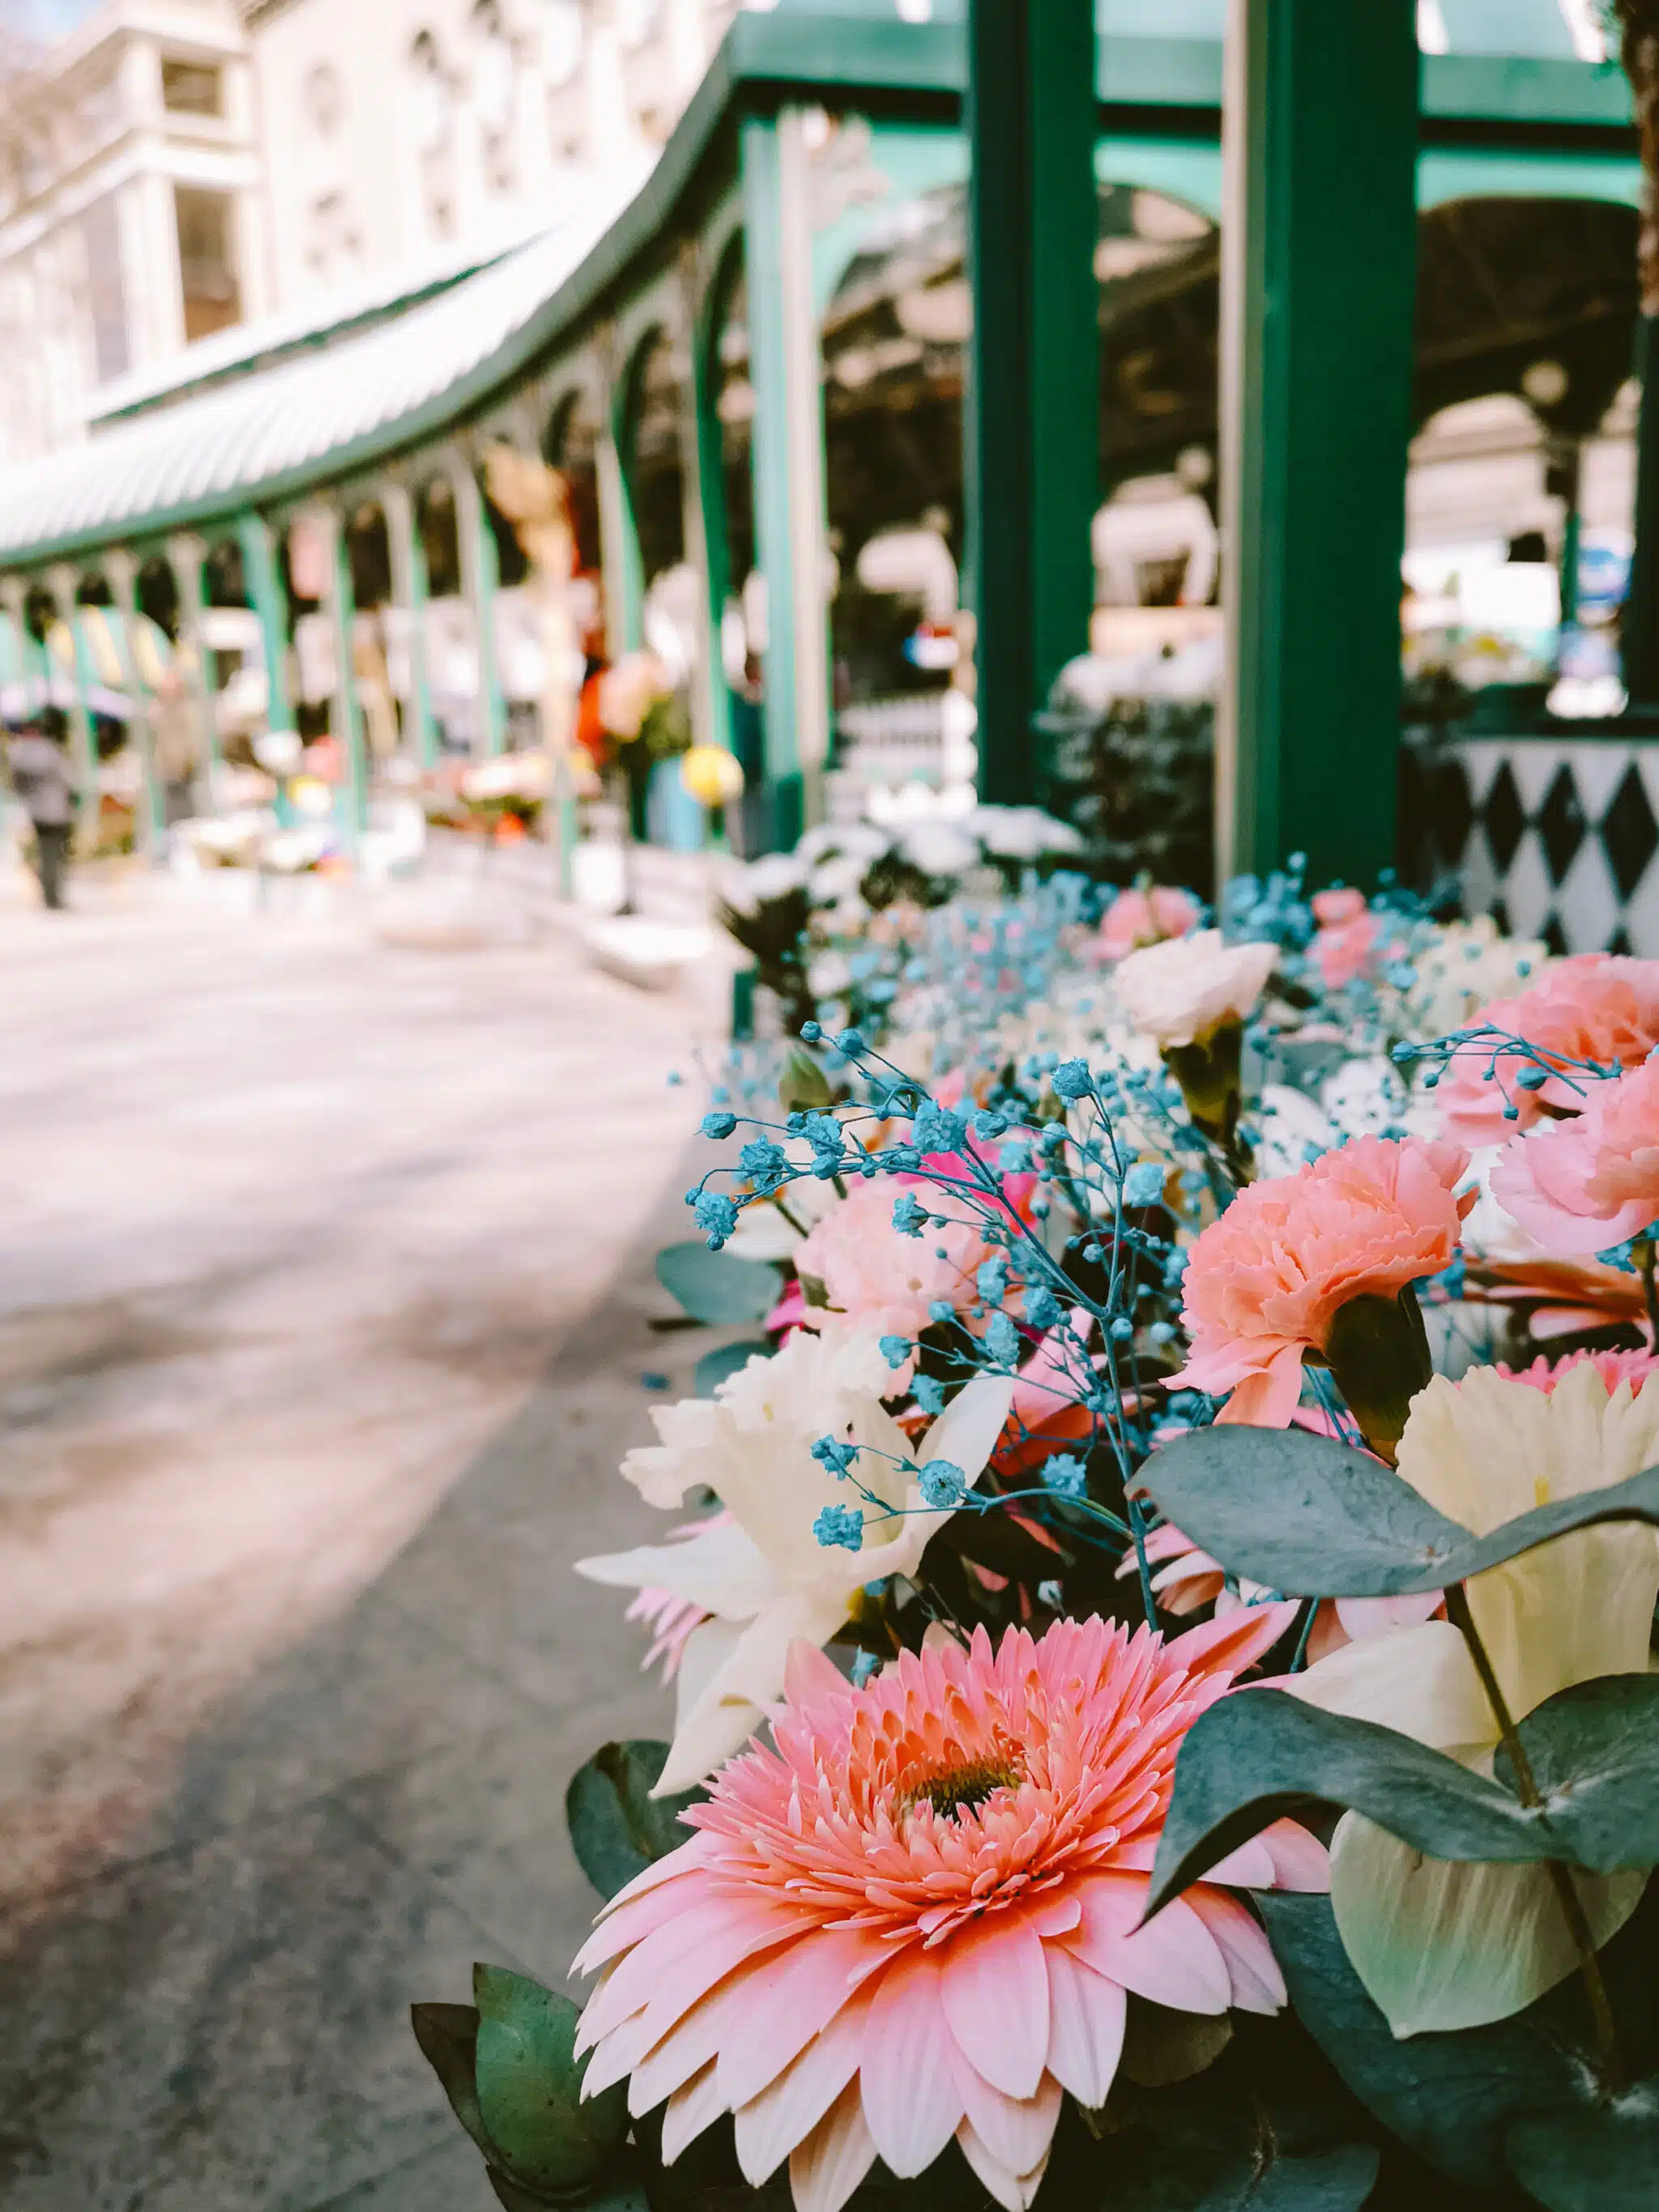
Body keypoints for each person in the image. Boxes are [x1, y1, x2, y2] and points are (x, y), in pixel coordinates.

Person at [6, 707, 77, 909]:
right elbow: (67, 779)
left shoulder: (19, 753)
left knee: (45, 852)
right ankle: (53, 894)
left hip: (37, 810)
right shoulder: (51, 750)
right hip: (57, 810)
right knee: (56, 853)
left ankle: (49, 893)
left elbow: (17, 783)